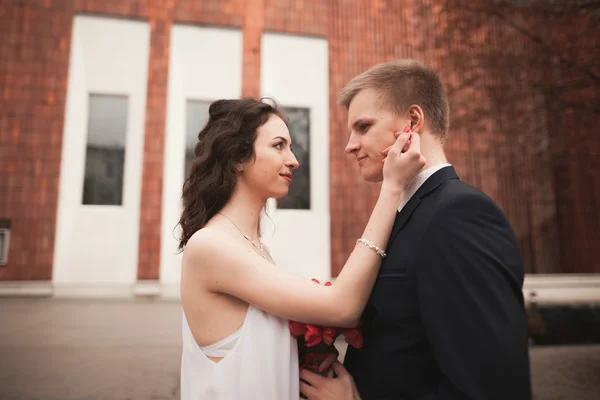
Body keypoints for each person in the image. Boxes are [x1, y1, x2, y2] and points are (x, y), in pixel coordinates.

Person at [300, 59, 532, 400]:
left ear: (412, 121)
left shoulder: (460, 215)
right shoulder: (404, 212)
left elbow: (491, 386)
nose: (350, 145)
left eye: (363, 127)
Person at [178, 97, 426, 399]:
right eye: (278, 145)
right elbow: (342, 307)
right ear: (236, 159)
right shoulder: (210, 245)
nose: (293, 160)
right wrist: (392, 187)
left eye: (290, 147)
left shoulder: (255, 249)